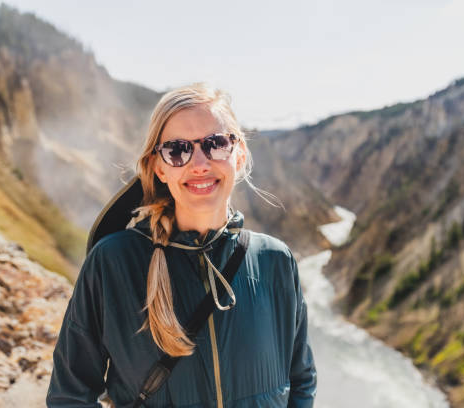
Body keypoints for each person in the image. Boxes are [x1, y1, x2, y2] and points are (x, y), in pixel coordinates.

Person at [46, 83, 317, 407]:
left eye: (215, 144)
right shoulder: (113, 262)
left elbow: (301, 381)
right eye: (178, 150)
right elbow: (69, 396)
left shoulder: (276, 260)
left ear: (239, 154)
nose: (199, 163)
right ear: (159, 165)